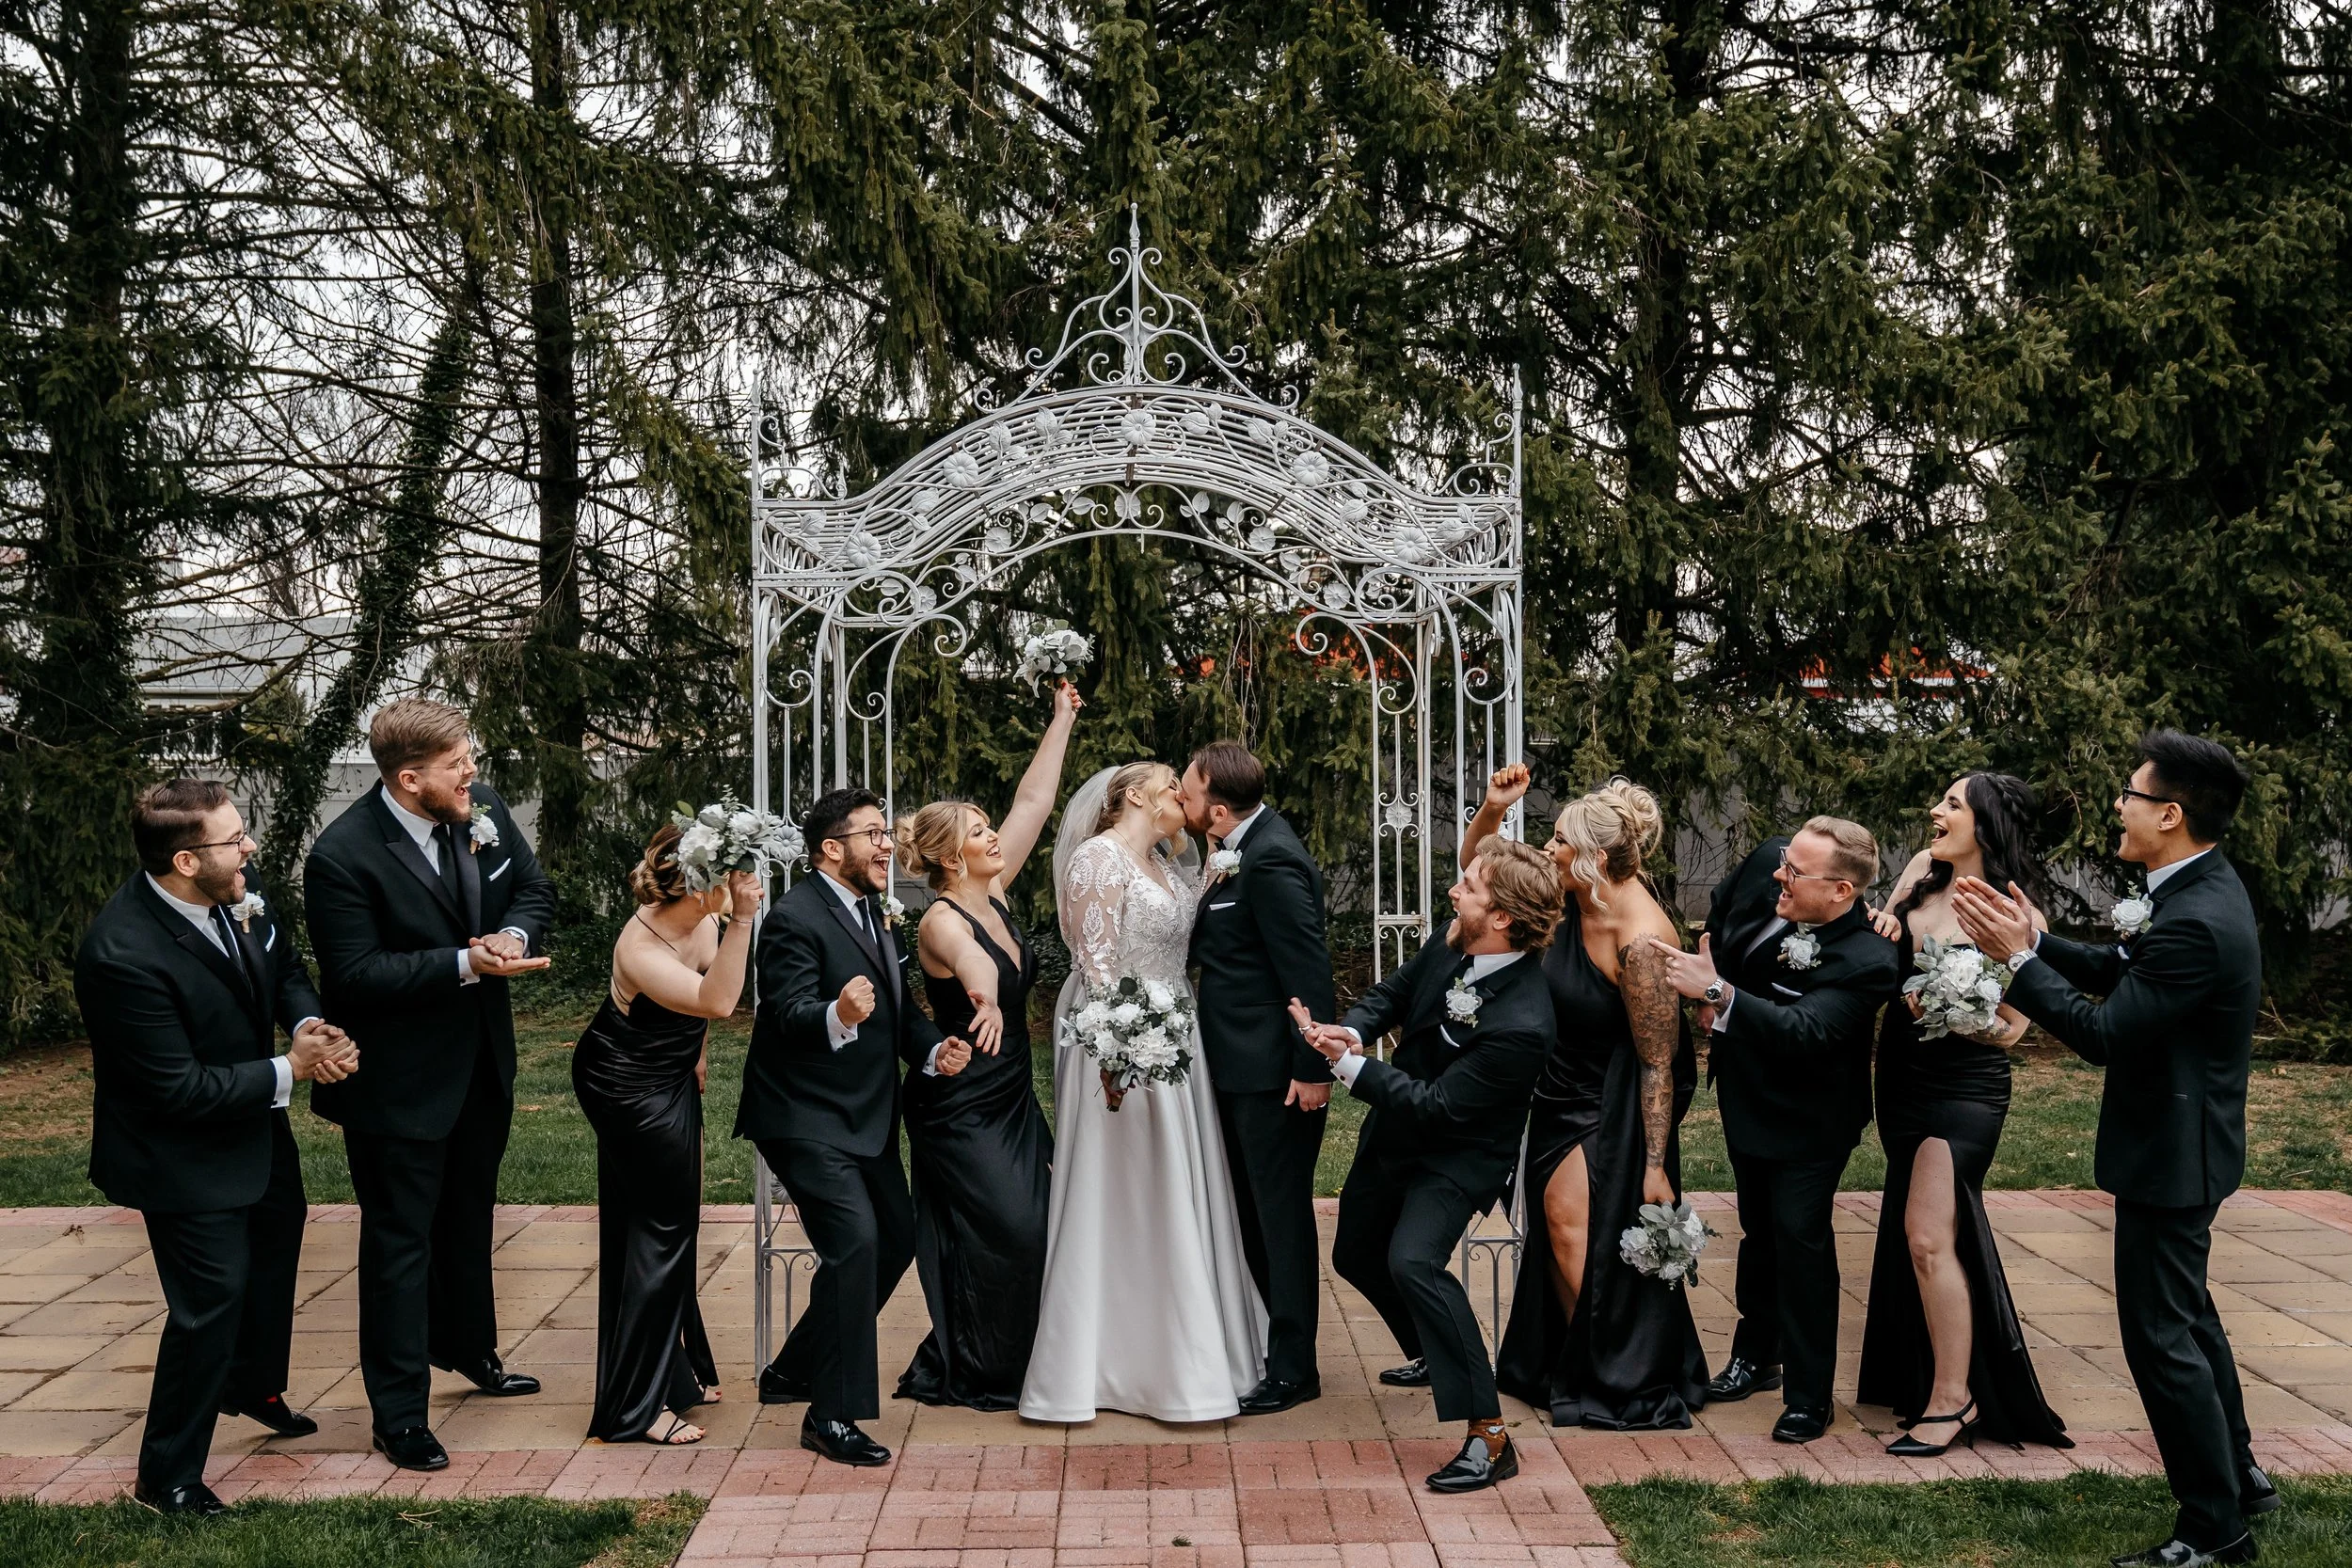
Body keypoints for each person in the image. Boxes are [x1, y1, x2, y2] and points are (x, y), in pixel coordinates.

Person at [1955, 732, 2268, 1568]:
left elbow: (2103, 1035)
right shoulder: (2194, 888)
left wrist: (2016, 962)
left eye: (2130, 796)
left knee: (2160, 1338)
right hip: (2184, 1143)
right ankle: (2239, 1475)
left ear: (2170, 812)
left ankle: (2214, 1527)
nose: (2118, 808)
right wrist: (2038, 939)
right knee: (2190, 1319)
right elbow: (2120, 964)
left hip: (2174, 1155)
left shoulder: (2197, 916)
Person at [76, 780, 358, 1515]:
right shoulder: (121, 954)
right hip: (179, 1153)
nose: (251, 848)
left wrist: (304, 1024)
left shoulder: (234, 883)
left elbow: (284, 967)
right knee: (208, 1303)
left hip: (252, 1129)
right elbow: (176, 1089)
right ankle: (165, 1476)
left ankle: (252, 1387)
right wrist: (287, 1071)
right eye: (235, 840)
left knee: (275, 1250)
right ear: (184, 861)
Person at [305, 698, 555, 1473]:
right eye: (457, 763)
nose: (473, 771)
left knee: (468, 1219)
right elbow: (353, 974)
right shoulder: (342, 856)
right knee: (399, 1245)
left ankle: (469, 1349)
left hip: (481, 1063)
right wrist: (461, 963)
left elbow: (533, 894)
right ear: (409, 778)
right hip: (397, 1083)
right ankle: (398, 1415)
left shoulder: (481, 809)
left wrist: (511, 935)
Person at [1291, 836, 1563, 1493]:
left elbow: (1440, 1107)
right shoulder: (1456, 942)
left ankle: (1490, 1436)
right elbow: (1395, 991)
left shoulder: (1526, 1019)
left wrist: (1346, 1065)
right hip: (1399, 1135)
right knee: (1355, 1252)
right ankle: (1435, 1349)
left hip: (1458, 1155)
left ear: (1501, 916)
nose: (1454, 889)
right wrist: (1351, 1030)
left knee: (1412, 1260)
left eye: (1469, 883)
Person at [1019, 762, 1266, 1423]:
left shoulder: (1162, 861)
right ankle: (1109, 1360)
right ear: (1134, 796)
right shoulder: (1098, 860)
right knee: (1123, 1188)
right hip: (1119, 1039)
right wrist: (1117, 1050)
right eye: (1170, 788)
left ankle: (1184, 1349)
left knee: (1171, 1184)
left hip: (1174, 1033)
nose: (1182, 798)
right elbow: (1095, 964)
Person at [738, 788, 970, 1466]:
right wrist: (836, 1011)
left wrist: (932, 1048)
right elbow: (784, 1013)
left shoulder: (877, 914)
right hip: (802, 1115)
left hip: (863, 1118)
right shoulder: (792, 917)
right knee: (856, 1241)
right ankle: (830, 1413)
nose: (887, 843)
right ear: (831, 848)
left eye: (884, 831)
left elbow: (899, 1009)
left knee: (894, 1236)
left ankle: (793, 1369)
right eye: (873, 833)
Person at [1650, 816, 1901, 1445]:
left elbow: (1808, 1030)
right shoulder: (1775, 865)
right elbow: (1724, 906)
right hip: (1746, 1095)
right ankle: (1755, 1352)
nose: (1778, 875)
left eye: (1795, 871)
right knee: (1759, 1230)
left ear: (1843, 892)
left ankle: (1810, 1397)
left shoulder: (1869, 955)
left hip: (1811, 1120)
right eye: (1785, 860)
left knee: (1801, 1242)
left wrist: (1718, 991)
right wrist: (1715, 970)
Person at [1478, 769, 1708, 1430]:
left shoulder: (1641, 939)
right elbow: (1480, 867)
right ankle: (1580, 1361)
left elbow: (1660, 1061)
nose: (1549, 851)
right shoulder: (1575, 890)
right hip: (1557, 1092)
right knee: (1556, 1236)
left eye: (1558, 841)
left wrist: (1656, 1164)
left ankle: (1622, 1376)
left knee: (1569, 1226)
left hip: (1609, 1105)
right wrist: (1493, 811)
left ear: (1596, 858)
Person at [1856, 773, 2071, 1457]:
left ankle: (1955, 1398)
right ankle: (1929, 1375)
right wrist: (1882, 926)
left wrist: (1957, 1013)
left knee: (1925, 1235)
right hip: (1901, 1077)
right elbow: (1884, 939)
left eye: (1952, 804)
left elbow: (2012, 1028)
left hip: (1965, 1086)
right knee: (1924, 1230)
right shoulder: (1923, 870)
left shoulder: (2018, 914)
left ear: (1986, 822)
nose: (1935, 812)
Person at [893, 681, 1082, 1410]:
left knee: (1040, 1227)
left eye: (985, 825)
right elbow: (969, 961)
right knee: (1015, 1228)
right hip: (960, 1102)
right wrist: (983, 993)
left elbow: (1033, 803)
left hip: (1009, 1093)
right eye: (976, 831)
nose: (992, 836)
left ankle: (1025, 1354)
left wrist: (1060, 718)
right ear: (947, 857)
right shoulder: (941, 919)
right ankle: (979, 1362)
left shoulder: (995, 893)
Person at [574, 826, 761, 1445]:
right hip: (625, 1084)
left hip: (669, 1072)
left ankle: (676, 1374)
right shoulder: (643, 945)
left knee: (663, 1222)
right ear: (703, 885)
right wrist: (745, 920)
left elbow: (701, 1007)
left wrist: (697, 1052)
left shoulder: (700, 919)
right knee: (662, 1228)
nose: (743, 881)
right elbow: (718, 997)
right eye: (732, 873)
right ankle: (635, 1407)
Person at [1176, 741, 1339, 1417]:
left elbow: (1307, 969)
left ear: (1215, 807)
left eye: (1186, 791)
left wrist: (1311, 1069)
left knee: (1280, 1218)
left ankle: (1295, 1366)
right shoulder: (1240, 844)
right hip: (1238, 1068)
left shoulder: (1270, 858)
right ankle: (1276, 1341)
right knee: (1251, 1212)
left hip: (1275, 1075)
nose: (1179, 799)